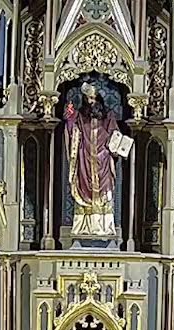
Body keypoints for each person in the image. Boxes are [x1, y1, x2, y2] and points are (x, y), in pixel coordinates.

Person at [65, 82, 127, 236]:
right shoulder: (80, 116)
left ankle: (103, 228)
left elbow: (115, 134)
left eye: (94, 98)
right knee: (84, 191)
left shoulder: (108, 116)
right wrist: (70, 117)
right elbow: (72, 131)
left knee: (104, 193)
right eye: (88, 99)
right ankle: (83, 228)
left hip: (103, 160)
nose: (91, 102)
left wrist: (116, 146)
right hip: (85, 159)